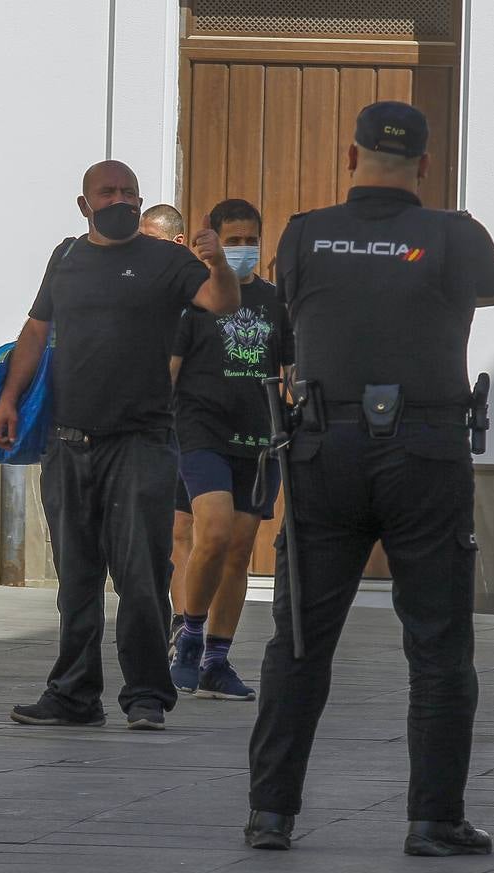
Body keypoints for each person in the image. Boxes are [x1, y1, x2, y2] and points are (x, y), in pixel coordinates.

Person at [245, 102, 494, 856]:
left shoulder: (302, 234)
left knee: (299, 642)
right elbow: (493, 288)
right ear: (424, 165)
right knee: (436, 645)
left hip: (325, 449)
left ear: (350, 154)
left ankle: (271, 815)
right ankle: (432, 820)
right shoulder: (452, 234)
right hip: (424, 449)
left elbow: (299, 299)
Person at [0, 160, 240, 731]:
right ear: (85, 204)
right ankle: (74, 694)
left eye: (129, 191)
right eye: (108, 192)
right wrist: (10, 397)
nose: (120, 199)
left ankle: (147, 695)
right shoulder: (67, 257)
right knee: (76, 575)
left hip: (141, 443)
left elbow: (221, 303)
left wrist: (219, 261)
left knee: (141, 574)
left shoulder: (168, 259)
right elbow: (35, 331)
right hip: (69, 442)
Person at [169, 199, 292, 701]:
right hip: (200, 432)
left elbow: (292, 370)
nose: (243, 249)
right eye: (232, 240)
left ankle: (217, 660)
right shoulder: (194, 299)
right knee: (212, 533)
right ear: (214, 240)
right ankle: (189, 639)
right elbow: (170, 369)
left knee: (239, 552)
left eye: (250, 240)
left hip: (259, 438)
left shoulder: (275, 302)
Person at [140, 203, 192, 644]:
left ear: (177, 244)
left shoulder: (199, 293)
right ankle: (168, 623)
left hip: (194, 427)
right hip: (147, 428)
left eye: (151, 242)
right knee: (162, 531)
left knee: (190, 529)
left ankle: (191, 624)